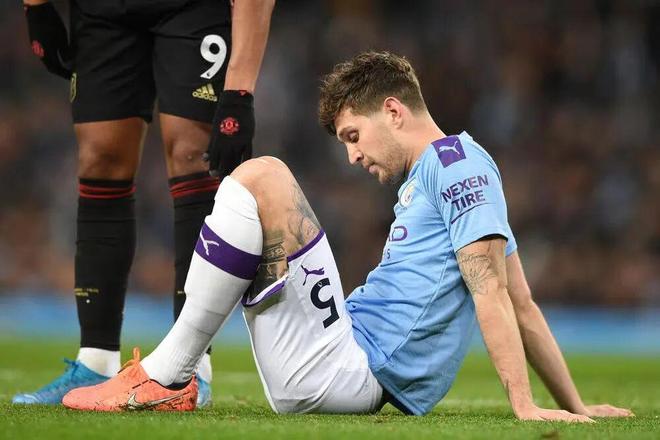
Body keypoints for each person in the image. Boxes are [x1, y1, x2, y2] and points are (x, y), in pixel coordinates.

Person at [62, 51, 633, 420]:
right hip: (340, 359)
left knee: (263, 176)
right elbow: (521, 302)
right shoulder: (446, 173)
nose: (352, 156)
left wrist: (527, 407)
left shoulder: (457, 168)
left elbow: (497, 293)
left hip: (351, 369)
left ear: (393, 111)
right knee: (256, 185)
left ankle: (168, 375)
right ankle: (173, 372)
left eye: (353, 136)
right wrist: (578, 407)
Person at [12, 0, 275, 407]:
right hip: (103, 9)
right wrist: (37, 5)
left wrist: (240, 91)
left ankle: (189, 368)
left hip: (192, 8)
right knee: (100, 156)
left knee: (193, 153)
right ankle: (95, 361)